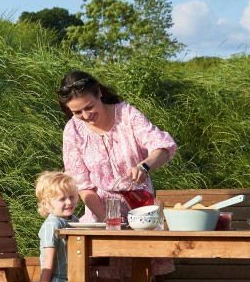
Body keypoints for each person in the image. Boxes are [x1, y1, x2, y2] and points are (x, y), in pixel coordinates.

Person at [57, 70, 178, 222]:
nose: (86, 116)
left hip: (142, 213)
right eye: (77, 112)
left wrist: (144, 167)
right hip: (99, 216)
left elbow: (164, 148)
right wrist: (107, 221)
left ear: (99, 93)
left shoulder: (127, 114)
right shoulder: (73, 130)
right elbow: (83, 186)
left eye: (89, 107)